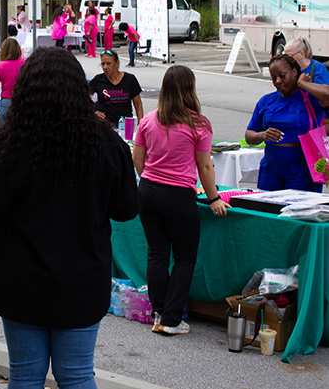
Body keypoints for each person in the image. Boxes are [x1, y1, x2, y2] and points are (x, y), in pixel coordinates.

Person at [0, 47, 140, 389]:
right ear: (81, 89)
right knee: (77, 373)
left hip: (21, 276)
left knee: (25, 374)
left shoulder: (10, 147)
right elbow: (126, 209)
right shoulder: (107, 145)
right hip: (83, 275)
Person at [133, 65, 229, 335]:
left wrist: (152, 179)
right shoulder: (198, 124)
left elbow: (138, 160)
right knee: (185, 257)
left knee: (157, 254)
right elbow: (205, 167)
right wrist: (214, 198)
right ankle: (172, 320)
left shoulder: (149, 120)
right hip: (178, 196)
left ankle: (159, 312)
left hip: (148, 191)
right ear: (190, 89)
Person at [245, 54, 329, 192]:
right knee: (266, 212)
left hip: (303, 173)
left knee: (300, 213)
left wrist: (302, 84)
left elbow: (326, 95)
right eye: (273, 78)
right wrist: (263, 135)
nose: (278, 81)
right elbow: (249, 135)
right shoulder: (266, 101)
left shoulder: (309, 98)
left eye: (282, 75)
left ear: (294, 72)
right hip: (270, 172)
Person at [90, 50, 143, 126]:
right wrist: (93, 113)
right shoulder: (98, 80)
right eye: (103, 64)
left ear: (117, 63)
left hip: (126, 126)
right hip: (105, 126)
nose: (105, 67)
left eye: (109, 64)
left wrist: (140, 124)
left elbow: (138, 104)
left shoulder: (130, 79)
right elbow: (82, 98)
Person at [0, 38, 25, 123]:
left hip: (6, 100)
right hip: (22, 99)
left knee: (6, 129)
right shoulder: (25, 63)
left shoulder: (0, 66)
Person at [284, 36, 329, 102]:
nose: (286, 59)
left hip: (313, 110)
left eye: (290, 55)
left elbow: (325, 95)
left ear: (302, 53)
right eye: (283, 55)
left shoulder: (318, 68)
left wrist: (304, 84)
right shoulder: (288, 69)